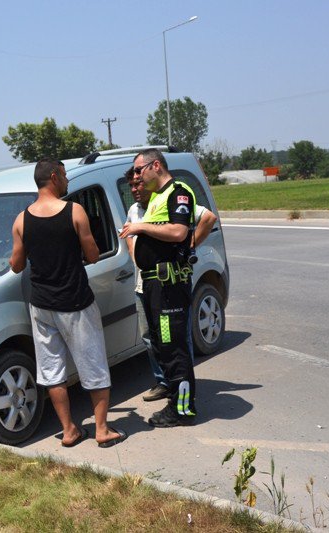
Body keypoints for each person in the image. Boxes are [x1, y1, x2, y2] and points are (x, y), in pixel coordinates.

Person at [10, 159, 127, 448]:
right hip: (75, 302)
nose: (67, 181)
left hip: (41, 306)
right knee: (94, 364)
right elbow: (93, 254)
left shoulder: (21, 219)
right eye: (64, 176)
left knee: (51, 370)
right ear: (53, 176)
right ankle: (101, 429)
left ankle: (70, 430)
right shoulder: (74, 211)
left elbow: (15, 265)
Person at [124, 168, 218, 402]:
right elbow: (128, 233)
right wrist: (135, 252)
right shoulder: (135, 210)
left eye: (139, 182)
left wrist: (189, 246)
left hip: (168, 289)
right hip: (144, 287)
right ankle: (166, 383)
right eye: (132, 186)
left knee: (174, 341)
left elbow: (206, 218)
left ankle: (181, 397)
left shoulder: (168, 199)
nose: (136, 188)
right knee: (152, 338)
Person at [119, 148, 197, 427]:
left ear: (155, 166)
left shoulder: (178, 191)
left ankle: (183, 410)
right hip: (154, 285)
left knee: (174, 348)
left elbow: (179, 232)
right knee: (163, 346)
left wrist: (141, 229)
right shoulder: (158, 199)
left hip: (168, 287)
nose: (137, 176)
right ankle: (176, 402)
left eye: (140, 170)